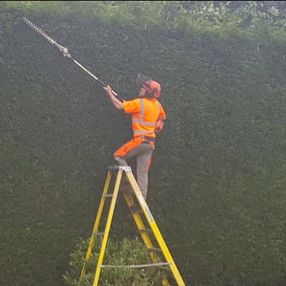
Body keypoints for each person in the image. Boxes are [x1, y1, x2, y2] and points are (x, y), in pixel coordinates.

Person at [103, 76, 166, 200]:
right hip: (150, 144)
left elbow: (119, 106)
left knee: (118, 155)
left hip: (140, 141)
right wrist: (159, 123)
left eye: (144, 87)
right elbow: (162, 117)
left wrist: (109, 93)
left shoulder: (139, 103)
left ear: (148, 91)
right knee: (143, 173)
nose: (141, 88)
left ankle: (128, 184)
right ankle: (141, 198)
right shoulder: (157, 105)